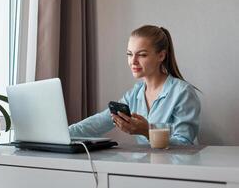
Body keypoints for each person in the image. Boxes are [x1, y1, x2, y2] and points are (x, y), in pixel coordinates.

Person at [69, 25, 201, 145]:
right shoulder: (134, 95)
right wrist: (60, 134)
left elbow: (184, 145)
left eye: (142, 55)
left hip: (175, 169)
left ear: (161, 56)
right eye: (129, 54)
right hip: (144, 167)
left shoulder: (182, 92)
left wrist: (147, 131)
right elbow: (96, 124)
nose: (133, 61)